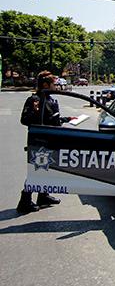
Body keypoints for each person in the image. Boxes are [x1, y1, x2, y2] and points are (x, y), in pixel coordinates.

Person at [17, 71, 74, 214]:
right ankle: (24, 201)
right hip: (39, 140)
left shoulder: (51, 100)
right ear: (45, 85)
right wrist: (36, 112)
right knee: (37, 171)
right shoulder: (34, 100)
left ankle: (43, 196)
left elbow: (53, 120)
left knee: (47, 169)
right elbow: (25, 119)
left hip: (51, 139)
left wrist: (67, 119)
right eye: (54, 84)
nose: (57, 86)